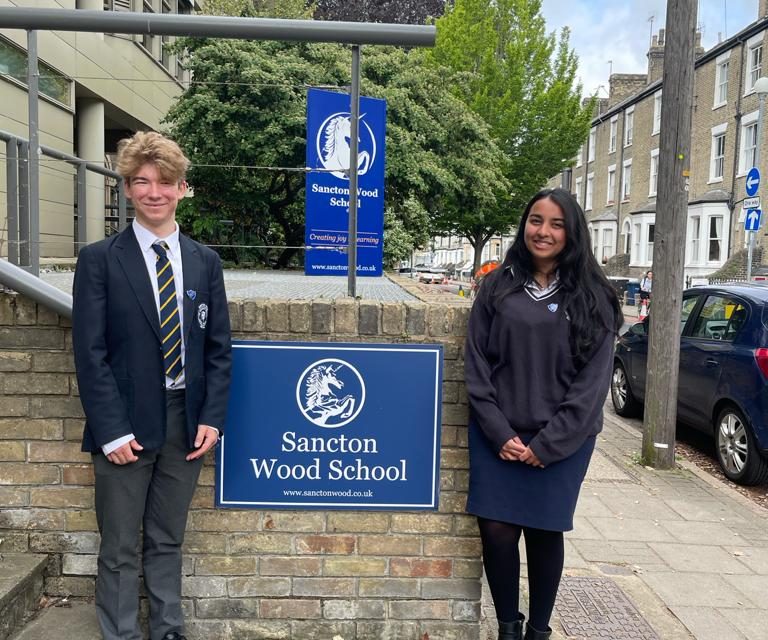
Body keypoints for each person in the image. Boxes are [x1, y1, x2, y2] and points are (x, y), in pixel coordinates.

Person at [72, 131, 232, 640]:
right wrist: (111, 431)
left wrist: (211, 417)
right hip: (124, 426)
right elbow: (89, 352)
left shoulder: (205, 262)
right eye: (142, 182)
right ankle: (120, 633)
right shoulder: (100, 259)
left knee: (167, 538)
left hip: (186, 422)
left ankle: (167, 629)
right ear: (126, 189)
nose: (154, 192)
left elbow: (218, 350)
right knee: (119, 544)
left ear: (183, 188)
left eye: (165, 182)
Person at [464, 188, 622, 640]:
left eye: (556, 224)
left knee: (543, 531)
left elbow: (592, 387)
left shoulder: (596, 297)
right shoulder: (497, 286)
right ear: (524, 225)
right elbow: (476, 366)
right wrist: (498, 432)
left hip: (564, 439)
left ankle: (539, 631)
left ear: (572, 232)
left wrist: (548, 445)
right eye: (536, 220)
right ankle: (507, 629)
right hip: (500, 432)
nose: (544, 231)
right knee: (496, 530)